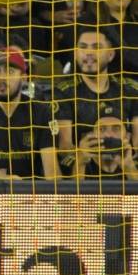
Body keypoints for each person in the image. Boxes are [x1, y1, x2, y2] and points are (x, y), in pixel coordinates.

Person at [0, 48, 60, 179]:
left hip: (30, 193)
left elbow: (52, 171)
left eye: (10, 71)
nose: (2, 78)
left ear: (24, 77)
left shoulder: (41, 112)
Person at [55, 23, 138, 168]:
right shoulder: (64, 92)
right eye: (83, 47)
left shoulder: (130, 89)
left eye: (96, 47)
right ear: (75, 53)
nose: (88, 53)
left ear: (111, 54)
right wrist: (83, 154)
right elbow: (65, 147)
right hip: (83, 172)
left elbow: (137, 143)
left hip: (125, 167)